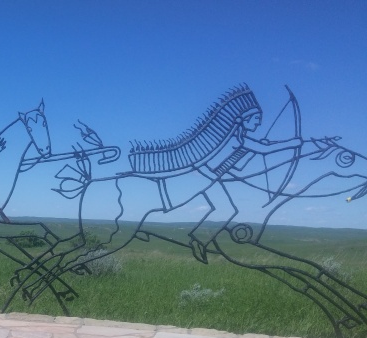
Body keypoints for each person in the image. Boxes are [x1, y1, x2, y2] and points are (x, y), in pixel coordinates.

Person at [128, 85, 302, 263]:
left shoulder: (239, 140)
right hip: (203, 178)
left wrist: (252, 152)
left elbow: (238, 167)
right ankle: (144, 229)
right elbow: (265, 149)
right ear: (244, 118)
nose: (258, 123)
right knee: (167, 205)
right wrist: (295, 142)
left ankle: (197, 241)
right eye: (256, 118)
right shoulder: (237, 139)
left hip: (210, 178)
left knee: (226, 209)